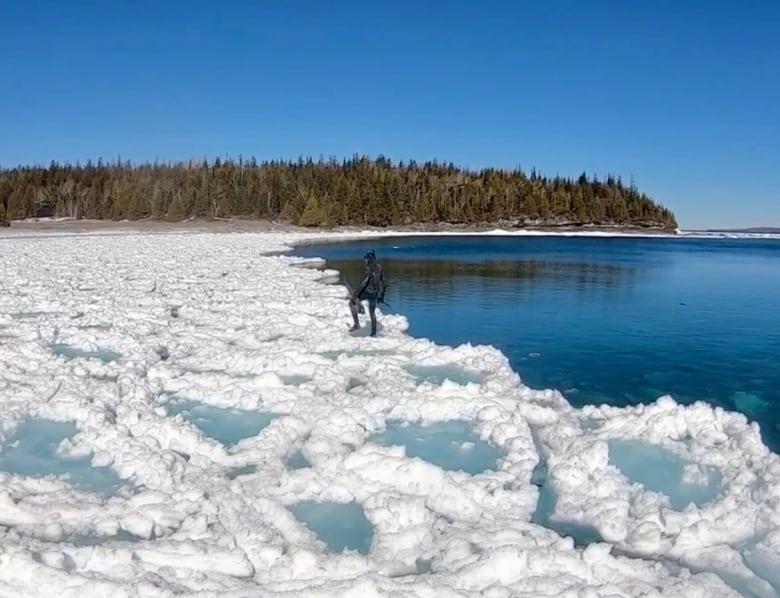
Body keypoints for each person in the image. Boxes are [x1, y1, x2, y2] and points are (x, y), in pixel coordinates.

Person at [349, 249, 386, 336]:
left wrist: (356, 293)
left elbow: (364, 283)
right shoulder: (380, 268)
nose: (365, 260)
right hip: (375, 293)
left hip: (367, 292)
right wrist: (381, 296)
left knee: (351, 303)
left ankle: (357, 324)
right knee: (372, 312)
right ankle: (373, 332)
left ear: (369, 258)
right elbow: (384, 283)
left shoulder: (369, 268)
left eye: (366, 259)